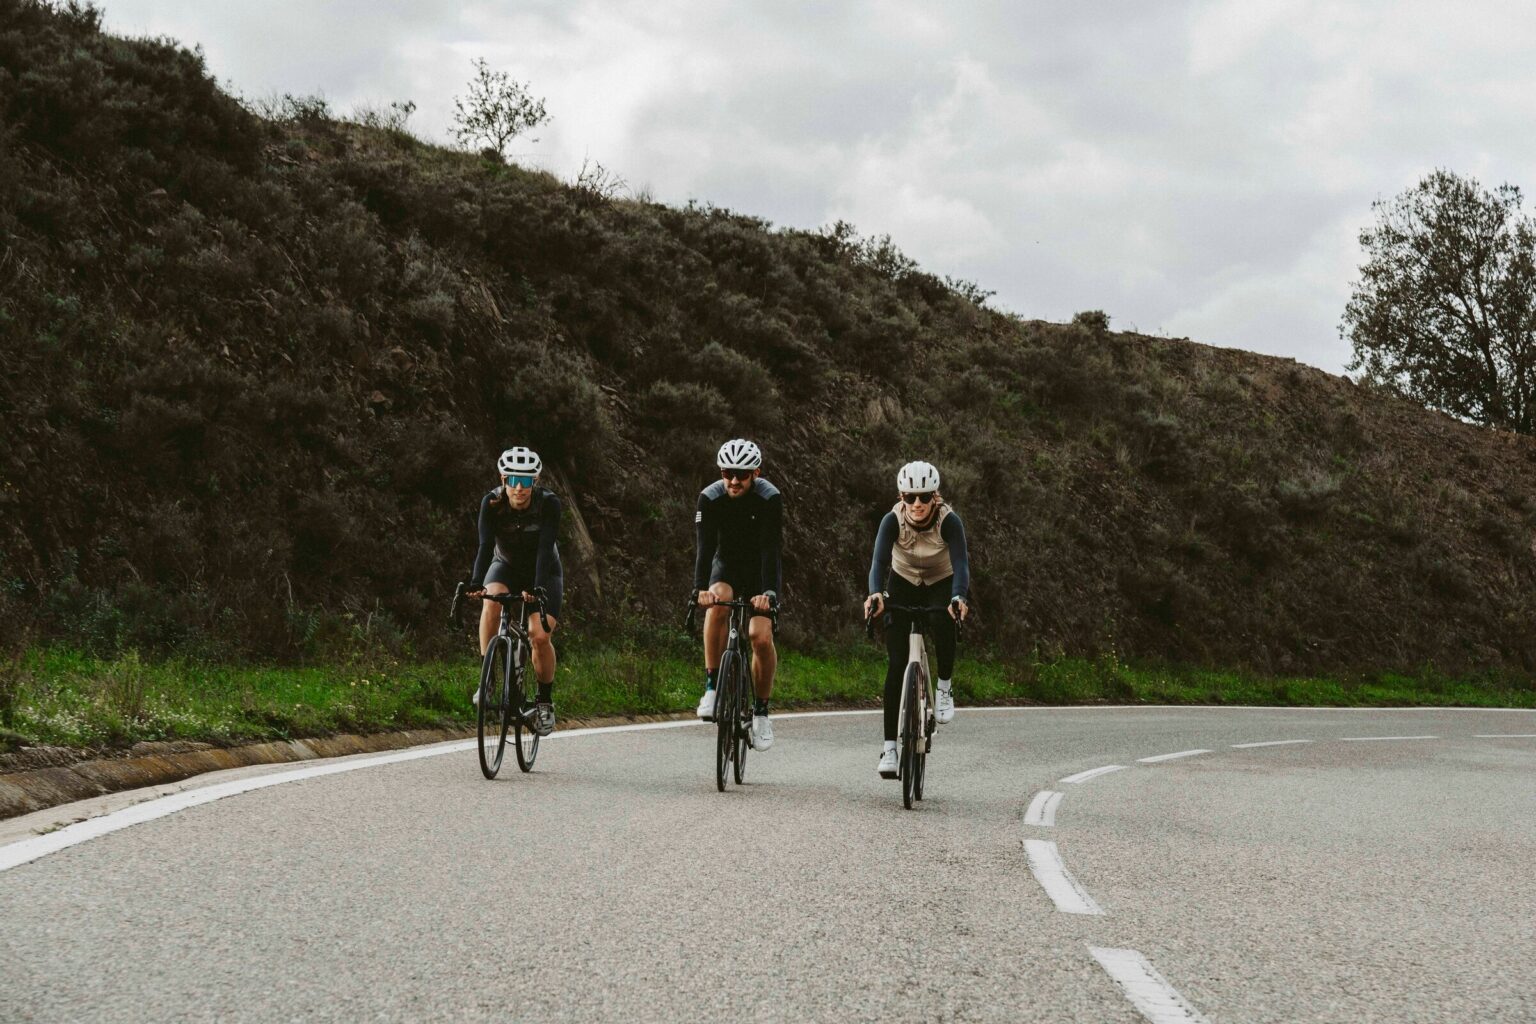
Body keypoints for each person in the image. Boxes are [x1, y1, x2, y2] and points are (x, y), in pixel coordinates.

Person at [863, 461, 970, 778]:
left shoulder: (950, 522)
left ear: (935, 496)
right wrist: (875, 595)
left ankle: (945, 687)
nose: (917, 504)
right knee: (896, 664)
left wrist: (959, 596)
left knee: (942, 621)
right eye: (910, 498)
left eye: (924, 497)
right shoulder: (891, 520)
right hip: (903, 582)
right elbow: (879, 561)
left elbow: (961, 563)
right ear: (901, 496)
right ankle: (889, 748)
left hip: (940, 583)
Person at [464, 446, 563, 736]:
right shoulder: (491, 502)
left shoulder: (549, 504)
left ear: (536, 481)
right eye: (513, 481)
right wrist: (475, 582)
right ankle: (488, 679)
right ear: (503, 479)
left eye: (527, 481)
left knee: (539, 636)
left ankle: (544, 702)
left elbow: (545, 550)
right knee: (491, 603)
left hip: (543, 570)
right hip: (504, 564)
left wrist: (538, 587)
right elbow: (484, 546)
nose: (519, 488)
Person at [693, 438, 783, 751]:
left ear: (755, 473)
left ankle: (760, 712)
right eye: (728, 472)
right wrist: (699, 589)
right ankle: (712, 686)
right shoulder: (709, 498)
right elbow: (704, 550)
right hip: (726, 565)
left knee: (759, 636)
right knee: (716, 603)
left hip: (759, 571)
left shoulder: (770, 499)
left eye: (742, 474)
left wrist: (769, 592)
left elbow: (772, 550)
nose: (733, 480)